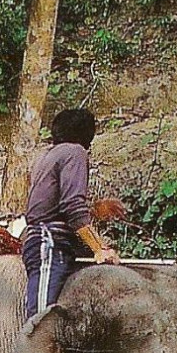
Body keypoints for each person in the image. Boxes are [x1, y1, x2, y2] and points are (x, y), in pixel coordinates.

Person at [19, 107, 122, 322]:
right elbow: (72, 206)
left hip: (46, 238)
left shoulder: (46, 156)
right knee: (40, 320)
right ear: (86, 133)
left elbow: (50, 203)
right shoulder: (75, 152)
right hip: (49, 241)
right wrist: (99, 249)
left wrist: (96, 208)